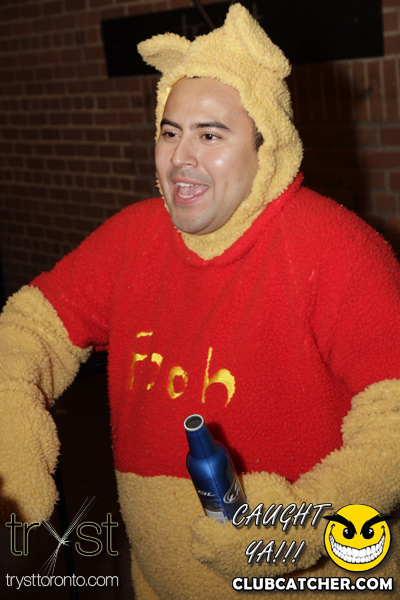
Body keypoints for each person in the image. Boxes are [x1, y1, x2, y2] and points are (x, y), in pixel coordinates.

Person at [1, 4, 399, 598]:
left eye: (210, 135)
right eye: (170, 132)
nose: (180, 157)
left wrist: (301, 524)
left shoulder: (336, 249)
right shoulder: (131, 239)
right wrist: (11, 412)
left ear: (267, 146)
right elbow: (33, 324)